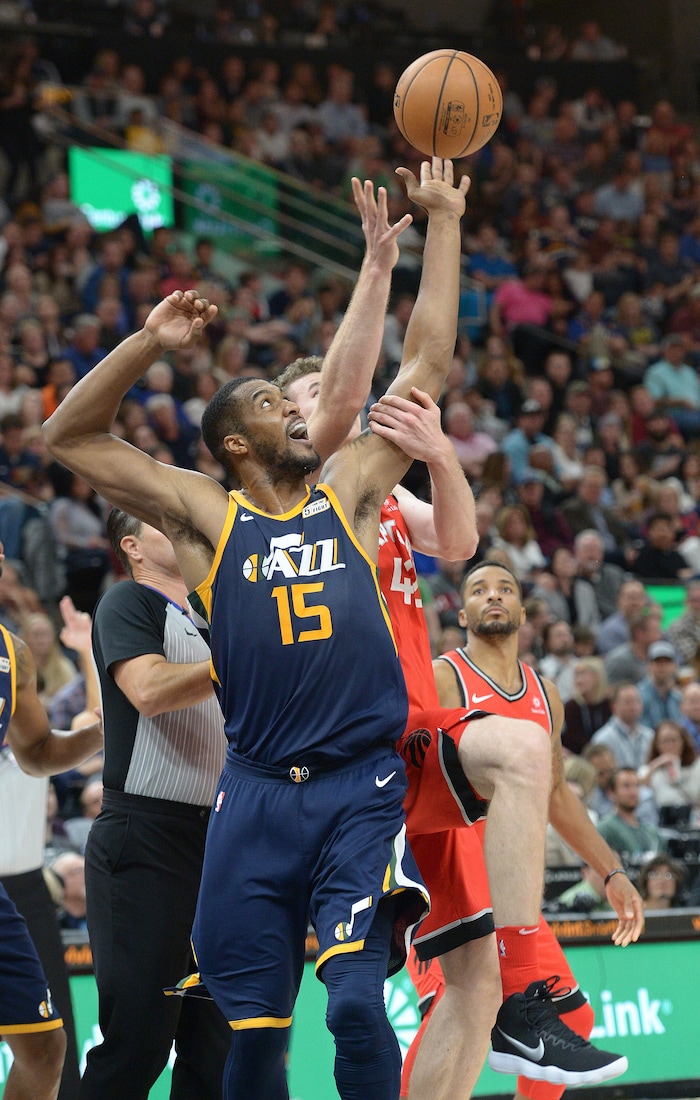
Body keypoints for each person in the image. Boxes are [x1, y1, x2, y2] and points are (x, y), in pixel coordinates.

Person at [43, 162, 627, 1099]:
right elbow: (69, 438)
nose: (300, 410)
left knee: (356, 1007)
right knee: (251, 1037)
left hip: (360, 783)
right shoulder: (206, 516)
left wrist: (442, 223)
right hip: (256, 795)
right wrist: (149, 342)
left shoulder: (352, 492)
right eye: (277, 405)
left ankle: (520, 988)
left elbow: (427, 362)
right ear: (236, 442)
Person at [401, 560, 641, 1100]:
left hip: (508, 894)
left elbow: (556, 794)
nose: (493, 596)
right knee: (460, 1005)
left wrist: (612, 870)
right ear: (460, 613)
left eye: (505, 589)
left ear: (523, 613)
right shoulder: (445, 676)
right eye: (479, 589)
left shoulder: (544, 694)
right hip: (448, 879)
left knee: (572, 1020)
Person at [79, 509, 231, 1100]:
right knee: (138, 1041)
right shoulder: (127, 603)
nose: (181, 521)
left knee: (214, 1047)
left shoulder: (215, 616)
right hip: (144, 834)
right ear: (133, 548)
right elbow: (147, 690)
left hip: (219, 840)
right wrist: (241, 659)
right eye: (160, 521)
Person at [0, 546, 103, 1100]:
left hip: (11, 887)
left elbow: (37, 749)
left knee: (45, 1045)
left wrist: (102, 732)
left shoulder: (11, 652)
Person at [597, 768, 666, 861]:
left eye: (637, 785)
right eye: (626, 786)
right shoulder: (605, 829)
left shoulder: (652, 832)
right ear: (611, 792)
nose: (633, 792)